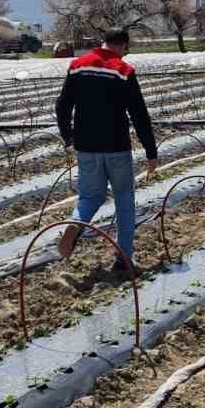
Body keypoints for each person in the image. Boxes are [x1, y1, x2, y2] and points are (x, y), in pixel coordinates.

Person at [55, 29, 159, 273]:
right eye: (126, 49)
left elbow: (62, 105)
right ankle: (123, 259)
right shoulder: (123, 71)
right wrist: (151, 151)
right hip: (116, 146)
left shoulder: (77, 66)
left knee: (90, 197)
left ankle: (74, 224)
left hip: (86, 146)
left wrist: (68, 136)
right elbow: (139, 115)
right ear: (122, 45)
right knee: (124, 200)